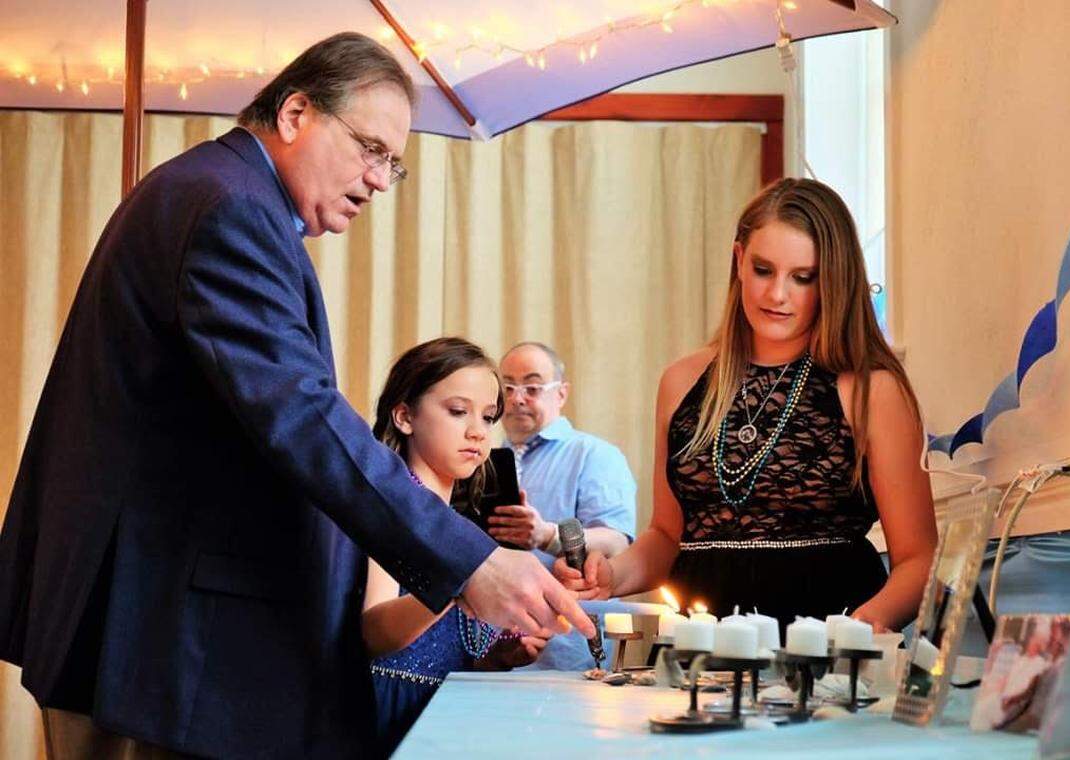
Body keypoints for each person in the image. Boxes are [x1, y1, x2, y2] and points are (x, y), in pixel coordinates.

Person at [0, 33, 591, 759]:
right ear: (295, 114)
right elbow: (302, 417)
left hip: (155, 632)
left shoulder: (224, 196)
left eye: (393, 164)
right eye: (371, 148)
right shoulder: (227, 208)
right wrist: (469, 560)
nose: (380, 180)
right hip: (147, 638)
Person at [556, 178, 937, 634]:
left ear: (834, 281)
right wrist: (612, 575)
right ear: (738, 260)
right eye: (763, 269)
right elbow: (667, 536)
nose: (777, 294)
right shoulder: (681, 380)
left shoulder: (872, 387)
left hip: (825, 654)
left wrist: (852, 636)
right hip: (700, 652)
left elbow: (919, 559)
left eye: (803, 277)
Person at [363, 337, 549, 757]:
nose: (477, 432)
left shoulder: (466, 530)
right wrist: (455, 581)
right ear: (405, 416)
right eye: (458, 411)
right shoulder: (387, 509)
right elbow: (373, 630)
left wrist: (502, 653)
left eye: (487, 417)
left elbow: (456, 655)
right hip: (392, 714)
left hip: (453, 716)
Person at [492, 342, 635, 669]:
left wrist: (546, 536)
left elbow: (617, 543)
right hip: (493, 652)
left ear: (561, 394)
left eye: (532, 386)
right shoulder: (480, 461)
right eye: (508, 387)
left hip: (567, 652)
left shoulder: (594, 455)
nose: (517, 398)